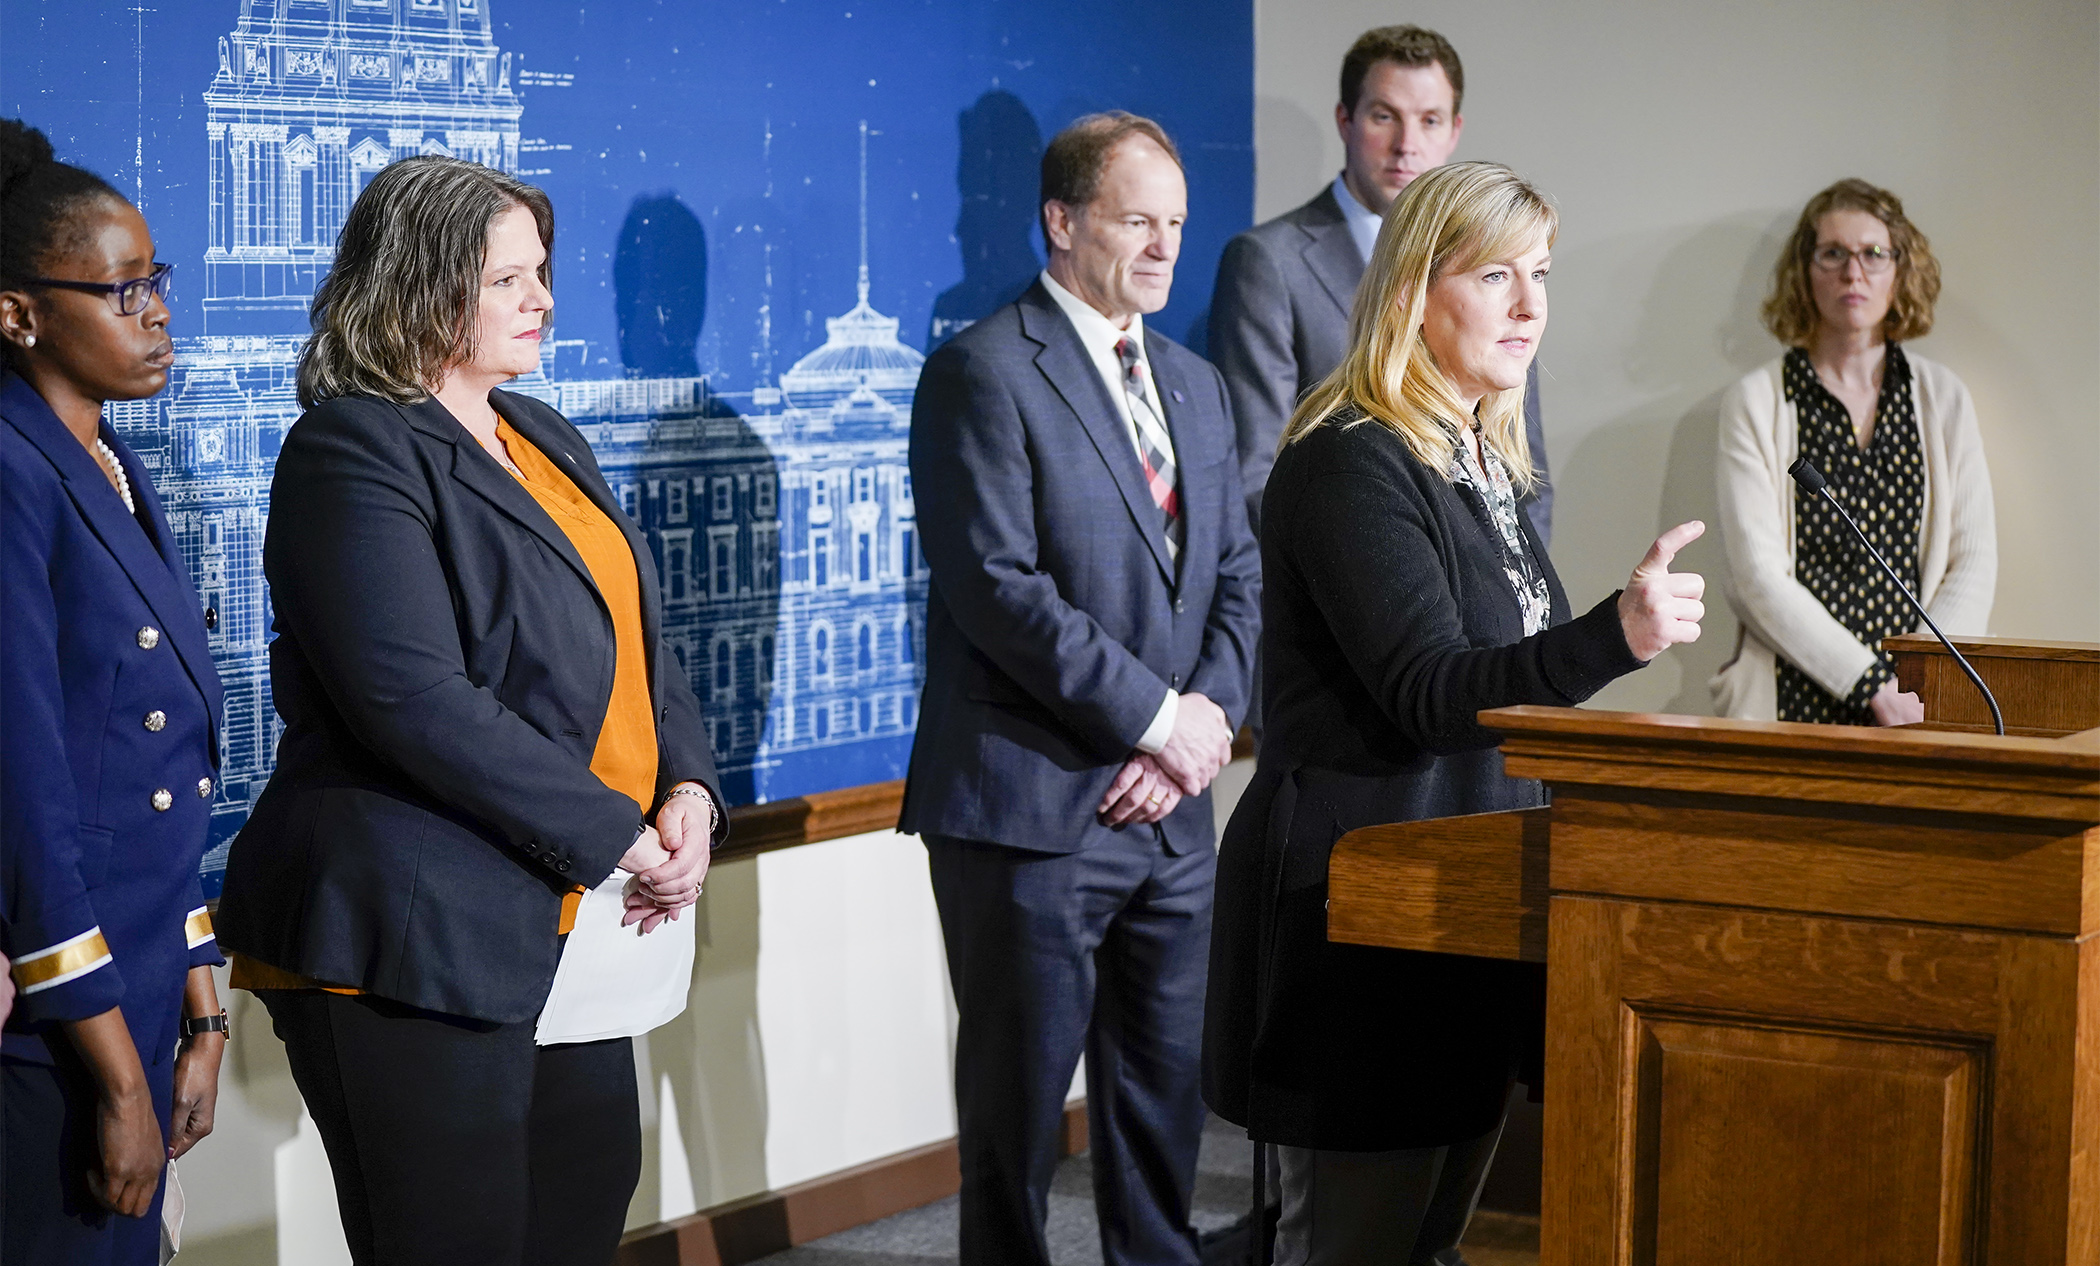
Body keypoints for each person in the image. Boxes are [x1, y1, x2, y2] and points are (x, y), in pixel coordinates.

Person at [214, 156, 725, 1266]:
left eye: (541, 273)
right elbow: (411, 698)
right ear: (416, 284)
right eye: (508, 279)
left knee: (581, 1210)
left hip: (567, 921)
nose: (543, 299)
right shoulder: (350, 445)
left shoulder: (540, 430)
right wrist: (618, 836)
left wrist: (687, 786)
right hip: (420, 928)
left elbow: (639, 633)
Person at [1204, 162, 1705, 1266]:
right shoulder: (1351, 460)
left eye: (1540, 274)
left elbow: (1508, 672)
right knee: (1358, 1253)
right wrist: (1611, 638)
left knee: (1430, 1249)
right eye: (1496, 275)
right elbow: (1433, 691)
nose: (1530, 306)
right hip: (1364, 909)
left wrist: (1604, 655)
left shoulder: (1486, 455)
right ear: (1415, 292)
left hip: (1467, 901)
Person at [903, 112, 1261, 1266]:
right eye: (1136, 221)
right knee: (1013, 1121)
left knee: (1162, 1103)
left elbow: (1239, 577)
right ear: (1062, 222)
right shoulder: (981, 373)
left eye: (1176, 225)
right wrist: (1159, 724)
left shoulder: (1199, 386)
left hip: (1171, 818)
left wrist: (1191, 736)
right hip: (1031, 813)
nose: (1164, 248)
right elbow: (997, 590)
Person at [0, 118, 228, 1265]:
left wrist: (201, 997)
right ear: (18, 311)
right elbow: (37, 809)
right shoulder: (11, 470)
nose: (154, 313)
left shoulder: (108, 459)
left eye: (157, 282)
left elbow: (156, 776)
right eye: (119, 290)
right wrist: (117, 1081)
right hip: (59, 1032)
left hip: (140, 983)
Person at [1210, 25, 1551, 544]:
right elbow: (1260, 471)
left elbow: (1524, 472)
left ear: (1454, 130)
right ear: (1346, 120)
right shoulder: (1268, 262)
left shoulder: (1503, 266)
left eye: (1429, 120)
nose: (1406, 145)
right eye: (1384, 116)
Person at [1712, 178, 1995, 724]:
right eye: (1833, 254)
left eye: (1874, 254)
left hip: (1922, 704)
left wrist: (1919, 681)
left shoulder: (1943, 397)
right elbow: (1756, 576)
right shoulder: (1756, 400)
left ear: (1900, 269)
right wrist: (1869, 684)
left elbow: (1973, 560)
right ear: (1804, 270)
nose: (1853, 272)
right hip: (1791, 700)